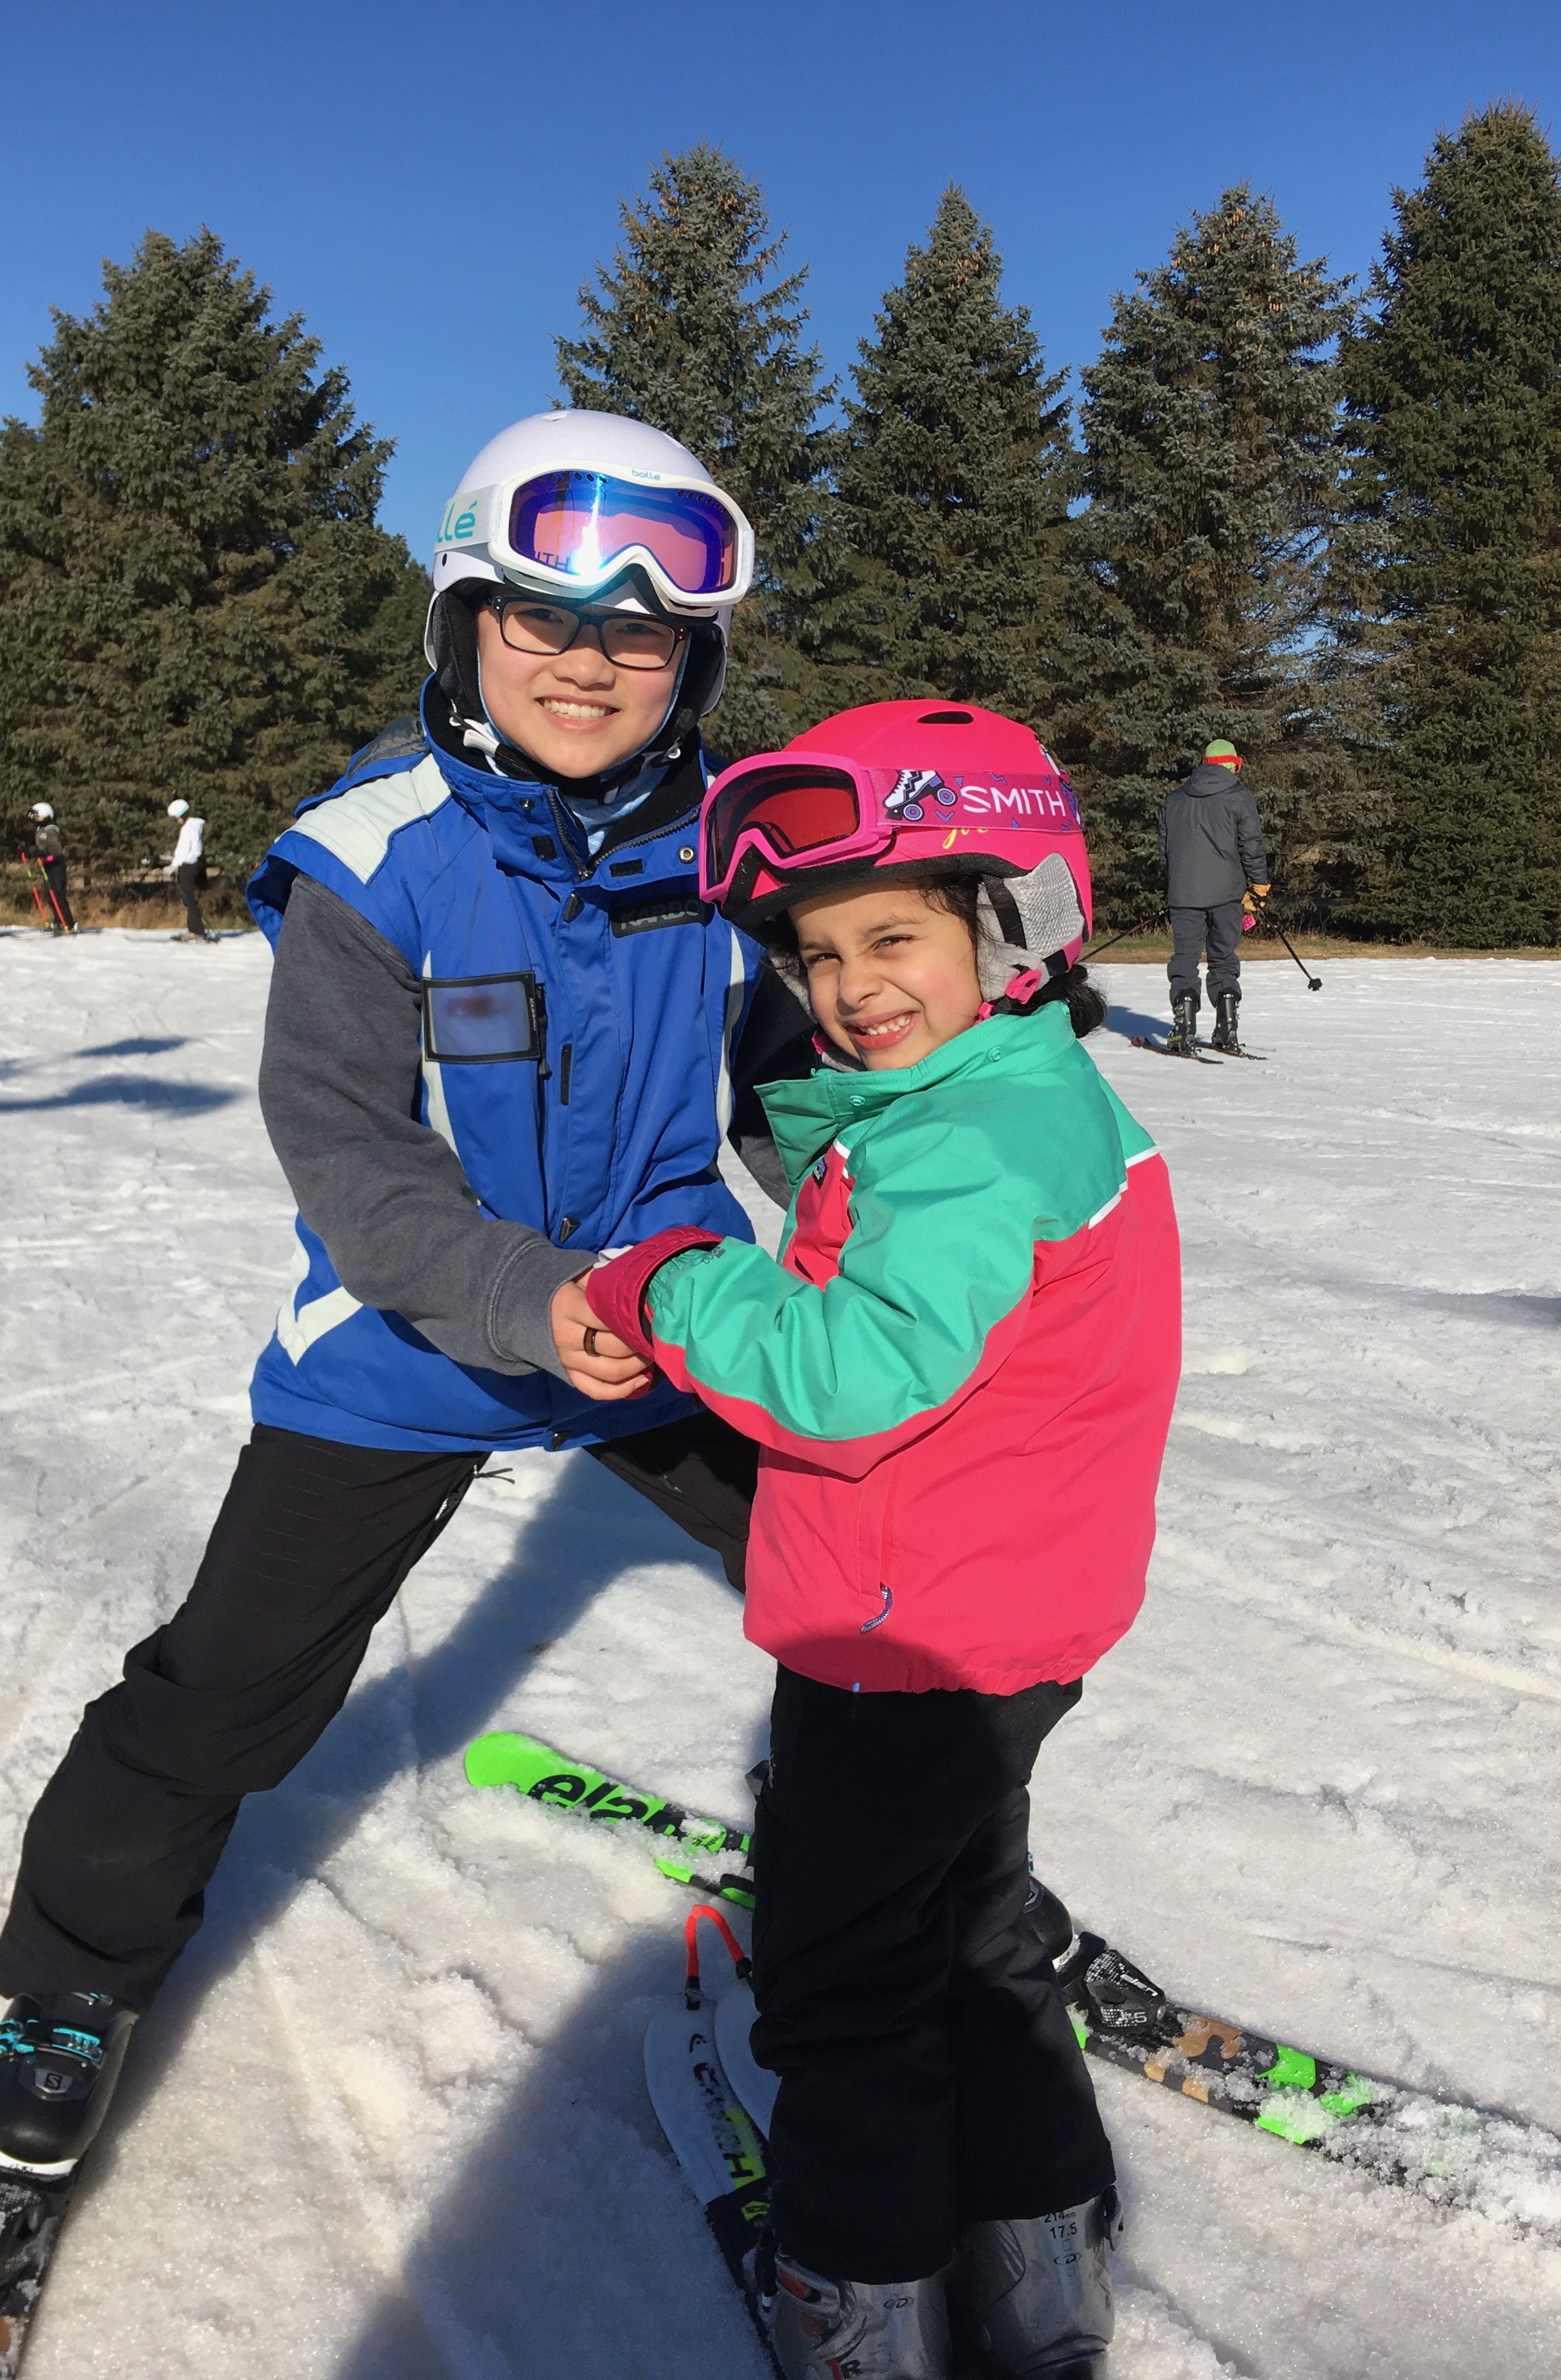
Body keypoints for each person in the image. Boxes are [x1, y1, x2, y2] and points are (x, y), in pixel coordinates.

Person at [0, 410, 811, 2184]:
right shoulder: (374, 852)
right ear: (461, 626)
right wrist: (525, 1293)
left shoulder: (735, 847)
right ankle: (68, 1977)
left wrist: (889, 1222)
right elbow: (350, 1158)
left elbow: (793, 1083)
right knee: (231, 1689)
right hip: (416, 1338)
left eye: (640, 634)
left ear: (695, 656)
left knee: (871, 1576)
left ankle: (907, 1875)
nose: (590, 664)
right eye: (543, 621)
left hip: (668, 1309)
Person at [581, 701, 1183, 2380]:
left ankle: (861, 2294)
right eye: (815, 953)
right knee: (979, 1935)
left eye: (894, 938)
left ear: (1016, 922)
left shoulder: (965, 1143)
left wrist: (667, 1282)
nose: (849, 988)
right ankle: (1037, 2261)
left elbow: (846, 1381)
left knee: (846, 1986)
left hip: (900, 1641)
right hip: (1012, 1623)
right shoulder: (1036, 1096)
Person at [1157, 737, 1269, 1053]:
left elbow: (1165, 852)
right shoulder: (1239, 797)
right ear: (1231, 764)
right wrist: (1259, 888)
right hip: (1227, 895)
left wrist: (1177, 882)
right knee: (1223, 959)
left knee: (1186, 959)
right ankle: (1227, 1027)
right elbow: (1251, 846)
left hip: (1184, 895)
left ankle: (1184, 1025)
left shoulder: (1175, 800)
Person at [165, 798, 211, 940]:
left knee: (189, 898)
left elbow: (188, 850)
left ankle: (197, 931)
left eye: (174, 819)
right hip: (187, 865)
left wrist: (176, 865)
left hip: (189, 866)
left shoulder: (190, 828)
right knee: (187, 898)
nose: (175, 822)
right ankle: (193, 929)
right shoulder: (191, 826)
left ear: (180, 816)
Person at [28, 803, 76, 932]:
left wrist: (44, 854)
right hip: (47, 865)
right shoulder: (40, 830)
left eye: (37, 815)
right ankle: (58, 921)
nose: (34, 818)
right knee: (49, 895)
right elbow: (40, 847)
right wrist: (29, 851)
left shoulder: (51, 829)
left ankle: (68, 922)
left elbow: (57, 850)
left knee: (58, 894)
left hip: (57, 865)